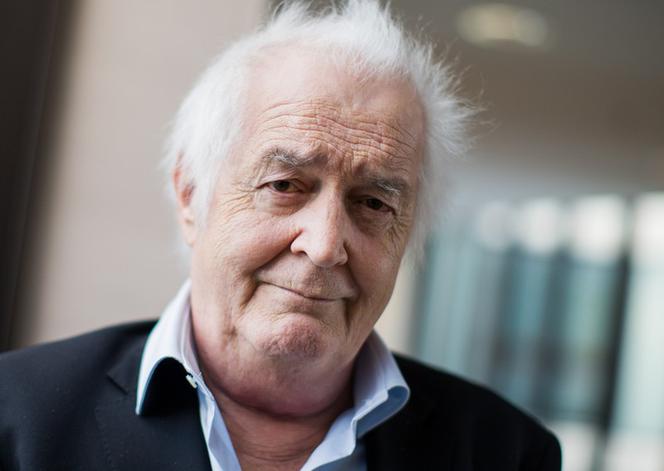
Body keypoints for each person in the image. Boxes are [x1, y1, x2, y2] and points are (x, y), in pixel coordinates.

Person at [0, 1, 561, 469]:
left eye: (373, 203)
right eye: (285, 185)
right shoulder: (16, 418)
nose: (324, 245)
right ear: (192, 194)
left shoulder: (505, 454)